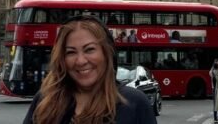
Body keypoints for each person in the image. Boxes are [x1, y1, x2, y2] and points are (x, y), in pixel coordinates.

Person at [22, 14, 156, 123]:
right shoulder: (45, 101)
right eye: (71, 52)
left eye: (90, 50)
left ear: (107, 53)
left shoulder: (134, 103)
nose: (80, 61)